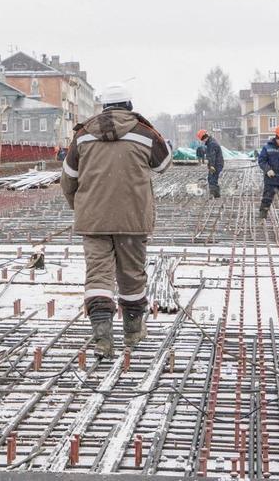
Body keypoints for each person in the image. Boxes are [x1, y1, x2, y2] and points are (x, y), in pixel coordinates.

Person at [60, 82, 171, 358]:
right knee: (132, 276)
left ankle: (102, 340)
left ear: (103, 107)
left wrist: (83, 208)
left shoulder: (83, 135)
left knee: (97, 277)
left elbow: (67, 180)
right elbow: (164, 164)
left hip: (93, 219)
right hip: (132, 219)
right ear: (129, 106)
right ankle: (133, 334)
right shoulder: (144, 134)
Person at [197, 129, 224, 198]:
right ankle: (216, 194)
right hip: (216, 163)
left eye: (202, 139)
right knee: (211, 178)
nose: (202, 141)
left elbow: (212, 156)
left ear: (204, 137)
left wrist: (212, 166)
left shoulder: (211, 144)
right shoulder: (210, 142)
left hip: (216, 164)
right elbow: (210, 154)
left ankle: (213, 195)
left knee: (212, 179)